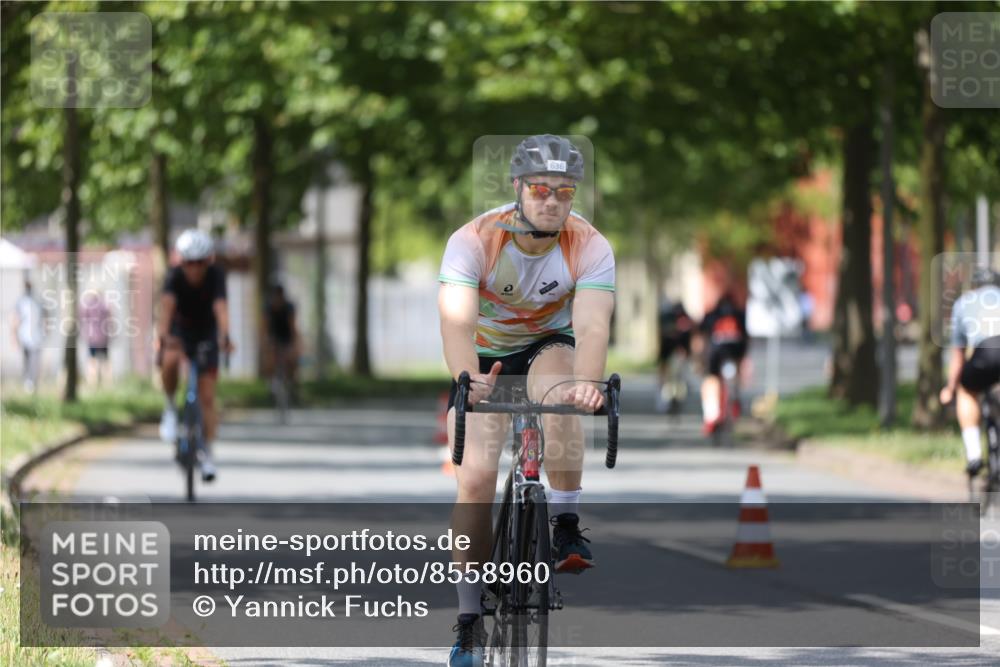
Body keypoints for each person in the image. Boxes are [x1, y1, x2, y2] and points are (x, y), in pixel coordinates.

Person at [438, 134, 615, 666]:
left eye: (564, 191)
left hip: (548, 346)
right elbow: (456, 320)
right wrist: (468, 376)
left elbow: (591, 323)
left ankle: (564, 524)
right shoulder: (474, 240)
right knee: (473, 480)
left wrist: (589, 382)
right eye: (541, 188)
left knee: (564, 394)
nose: (553, 200)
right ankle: (469, 619)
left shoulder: (589, 244)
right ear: (517, 187)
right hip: (485, 356)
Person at [155, 229, 233, 482]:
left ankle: (208, 455)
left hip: (207, 332)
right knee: (169, 359)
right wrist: (162, 336)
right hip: (181, 330)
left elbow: (220, 308)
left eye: (200, 263)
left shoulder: (216, 276)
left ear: (208, 261)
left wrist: (225, 336)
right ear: (182, 262)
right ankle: (169, 408)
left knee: (207, 397)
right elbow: (166, 308)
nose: (195, 269)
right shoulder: (174, 277)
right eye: (189, 263)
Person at [940, 267, 1000, 477]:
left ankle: (974, 454)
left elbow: (958, 356)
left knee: (966, 392)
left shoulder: (963, 303)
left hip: (985, 353)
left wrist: (950, 388)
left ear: (974, 287)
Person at [697, 291, 748, 435]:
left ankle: (711, 417)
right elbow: (746, 339)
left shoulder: (711, 315)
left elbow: (701, 339)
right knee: (734, 378)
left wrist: (699, 359)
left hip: (716, 355)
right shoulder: (740, 315)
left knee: (710, 382)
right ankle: (735, 400)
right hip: (735, 354)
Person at [656, 298, 694, 413]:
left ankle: (667, 401)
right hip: (677, 354)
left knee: (670, 380)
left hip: (670, 354)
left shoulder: (667, 319)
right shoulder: (685, 321)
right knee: (678, 379)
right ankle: (672, 399)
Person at [264, 283, 300, 399]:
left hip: (286, 336)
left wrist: (295, 345)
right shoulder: (268, 307)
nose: (277, 300)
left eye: (279, 297)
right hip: (273, 336)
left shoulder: (289, 307)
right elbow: (264, 327)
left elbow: (293, 326)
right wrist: (265, 343)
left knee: (292, 359)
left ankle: (292, 385)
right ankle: (271, 385)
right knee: (270, 359)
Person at [12, 279, 44, 392]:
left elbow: (45, 318)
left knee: (34, 362)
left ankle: (33, 383)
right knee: (27, 361)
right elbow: (15, 321)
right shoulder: (20, 302)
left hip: (36, 337)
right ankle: (28, 382)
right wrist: (14, 338)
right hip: (24, 337)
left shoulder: (38, 302)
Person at [79, 291, 111, 386]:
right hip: (103, 337)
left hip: (92, 337)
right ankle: (106, 383)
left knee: (93, 360)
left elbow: (82, 319)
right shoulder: (105, 305)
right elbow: (110, 319)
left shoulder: (88, 305)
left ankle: (93, 382)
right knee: (104, 360)